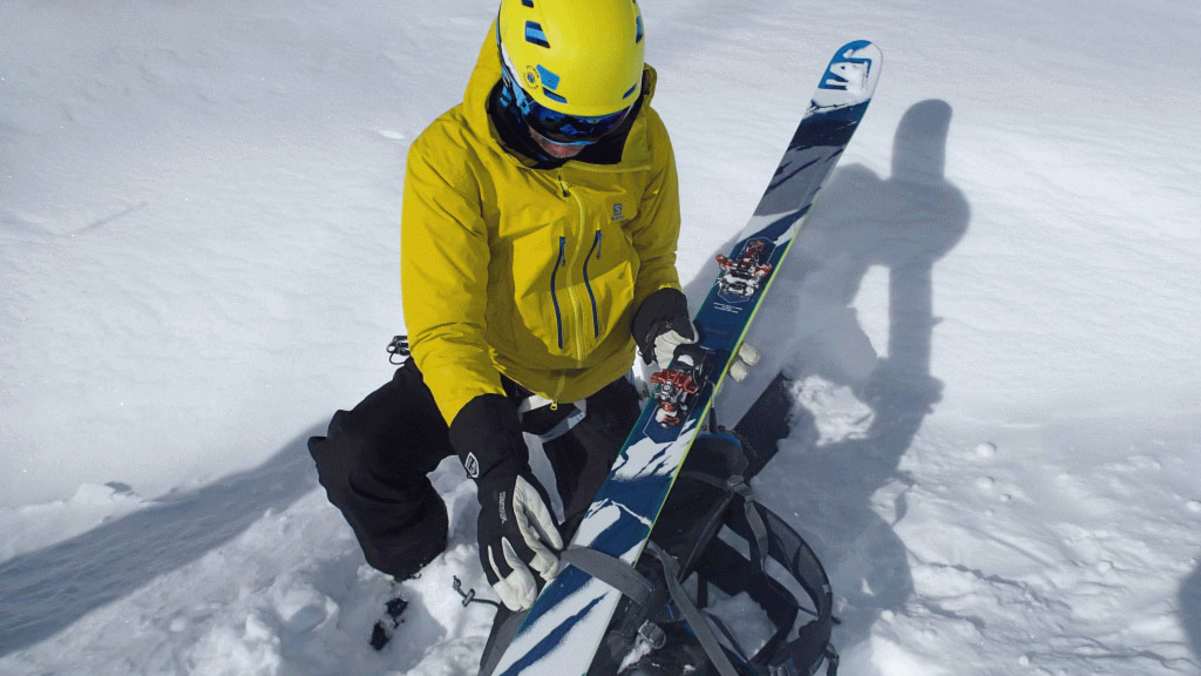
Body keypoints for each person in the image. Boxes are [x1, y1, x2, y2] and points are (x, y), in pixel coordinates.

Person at [308, 0, 700, 612]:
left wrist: (664, 325)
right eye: (552, 118)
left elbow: (653, 258)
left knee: (609, 544)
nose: (573, 143)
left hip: (592, 372)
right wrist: (493, 465)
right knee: (358, 460)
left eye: (598, 124)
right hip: (490, 365)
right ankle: (418, 567)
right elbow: (446, 327)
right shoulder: (449, 160)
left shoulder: (643, 140)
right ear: (512, 77)